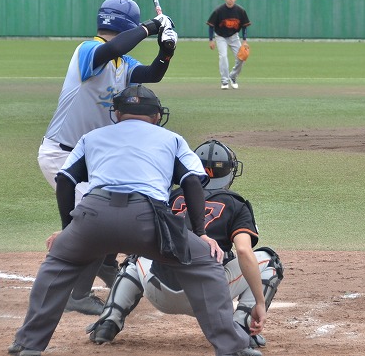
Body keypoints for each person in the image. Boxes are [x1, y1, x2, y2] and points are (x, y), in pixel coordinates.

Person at [8, 85, 261, 356]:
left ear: (117, 113)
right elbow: (192, 182)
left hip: (93, 217)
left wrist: (68, 230)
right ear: (156, 115)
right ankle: (232, 347)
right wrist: (200, 233)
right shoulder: (172, 139)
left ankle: (28, 343)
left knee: (58, 263)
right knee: (204, 264)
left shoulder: (92, 137)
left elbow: (65, 180)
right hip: (147, 220)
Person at [36, 0, 177, 315]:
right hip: (62, 156)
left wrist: (166, 51)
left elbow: (153, 74)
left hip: (92, 160)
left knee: (116, 206)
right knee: (98, 219)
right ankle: (76, 294)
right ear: (130, 24)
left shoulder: (123, 64)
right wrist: (151, 27)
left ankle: (106, 264)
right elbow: (112, 48)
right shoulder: (88, 51)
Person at [87, 139, 283, 350]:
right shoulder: (236, 204)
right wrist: (260, 302)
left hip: (159, 291)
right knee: (269, 260)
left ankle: (108, 321)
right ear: (229, 172)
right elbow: (243, 251)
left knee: (137, 256)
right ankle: (243, 328)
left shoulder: (169, 196)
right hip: (209, 296)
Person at [207, 0, 251, 90]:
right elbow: (211, 25)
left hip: (234, 37)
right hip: (220, 36)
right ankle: (224, 81)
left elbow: (244, 26)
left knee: (242, 57)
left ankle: (233, 76)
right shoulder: (219, 11)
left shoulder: (240, 11)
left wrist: (244, 41)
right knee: (223, 57)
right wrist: (211, 40)